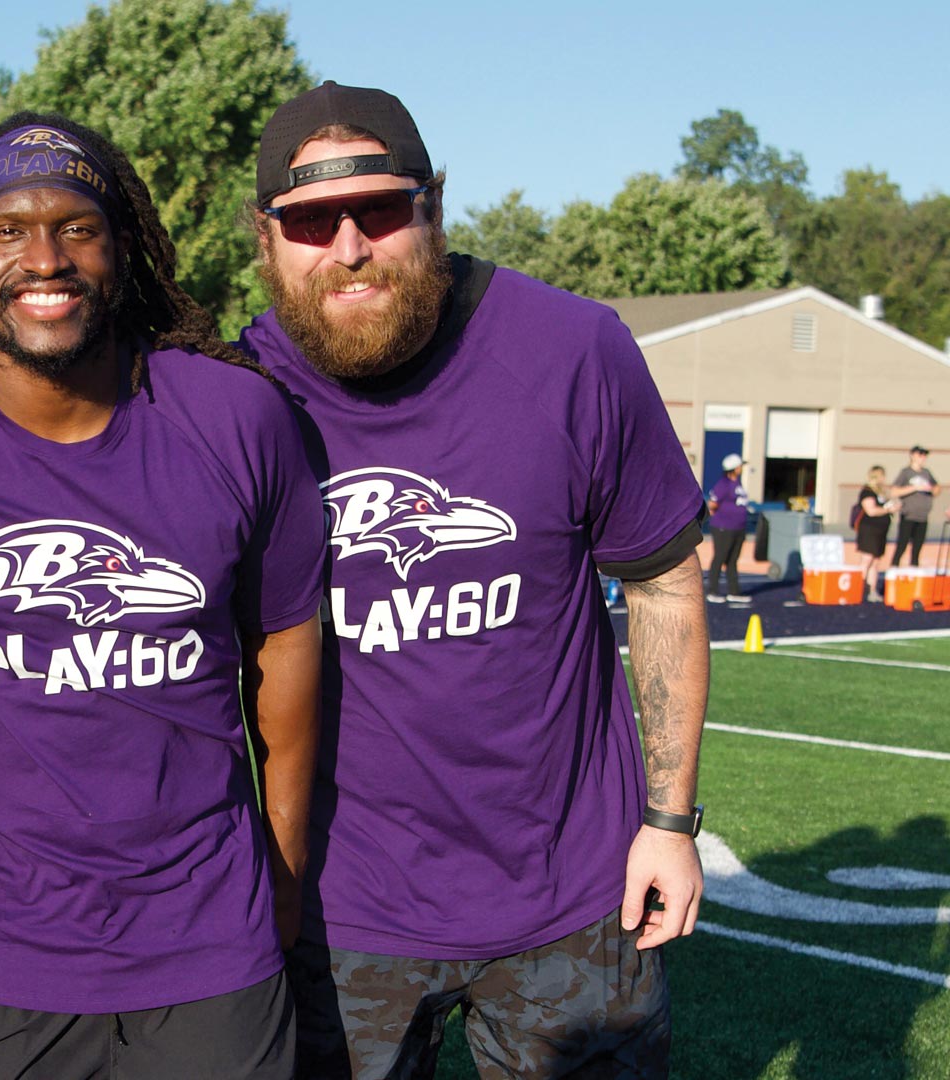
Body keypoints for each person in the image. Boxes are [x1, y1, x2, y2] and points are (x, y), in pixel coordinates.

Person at [238, 83, 710, 1079]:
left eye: (381, 210)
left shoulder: (574, 349)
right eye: (313, 221)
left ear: (435, 208)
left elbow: (664, 579)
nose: (350, 246)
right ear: (266, 239)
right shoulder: (237, 390)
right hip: (339, 909)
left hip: (571, 901)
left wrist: (670, 823)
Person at [0, 113, 326, 1078]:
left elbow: (288, 659)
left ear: (122, 247)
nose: (44, 259)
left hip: (210, 939)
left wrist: (280, 874)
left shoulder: (234, 416)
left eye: (75, 227)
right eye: (8, 232)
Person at [704, 453, 752, 604]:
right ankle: (712, 590)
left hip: (738, 527)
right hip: (724, 527)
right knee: (720, 557)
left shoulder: (737, 484)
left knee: (732, 560)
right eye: (739, 466)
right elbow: (713, 504)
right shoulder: (723, 484)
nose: (741, 469)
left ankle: (734, 591)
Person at [889, 445, 939, 567]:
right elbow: (894, 491)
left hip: (922, 516)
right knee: (902, 545)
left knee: (917, 548)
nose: (923, 458)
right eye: (920, 455)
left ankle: (914, 571)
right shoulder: (906, 473)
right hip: (909, 515)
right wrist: (915, 487)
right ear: (912, 455)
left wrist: (932, 489)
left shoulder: (926, 473)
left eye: (924, 455)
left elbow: (936, 488)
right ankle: (894, 568)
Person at [854, 466, 898, 602]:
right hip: (869, 530)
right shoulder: (867, 492)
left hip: (880, 531)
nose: (883, 479)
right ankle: (857, 588)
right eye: (881, 476)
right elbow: (871, 511)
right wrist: (887, 510)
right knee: (866, 559)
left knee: (875, 561)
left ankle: (872, 590)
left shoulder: (882, 493)